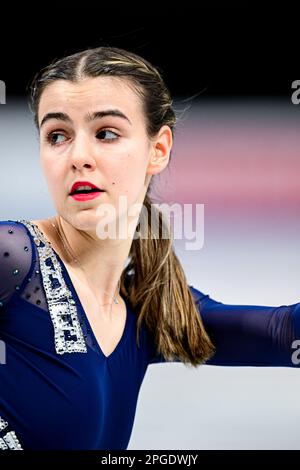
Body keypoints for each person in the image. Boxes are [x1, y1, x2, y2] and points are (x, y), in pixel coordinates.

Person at [0, 46, 299, 451]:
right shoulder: (13, 257)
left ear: (158, 149)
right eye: (57, 136)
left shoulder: (146, 312)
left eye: (106, 133)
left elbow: (284, 334)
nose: (78, 157)